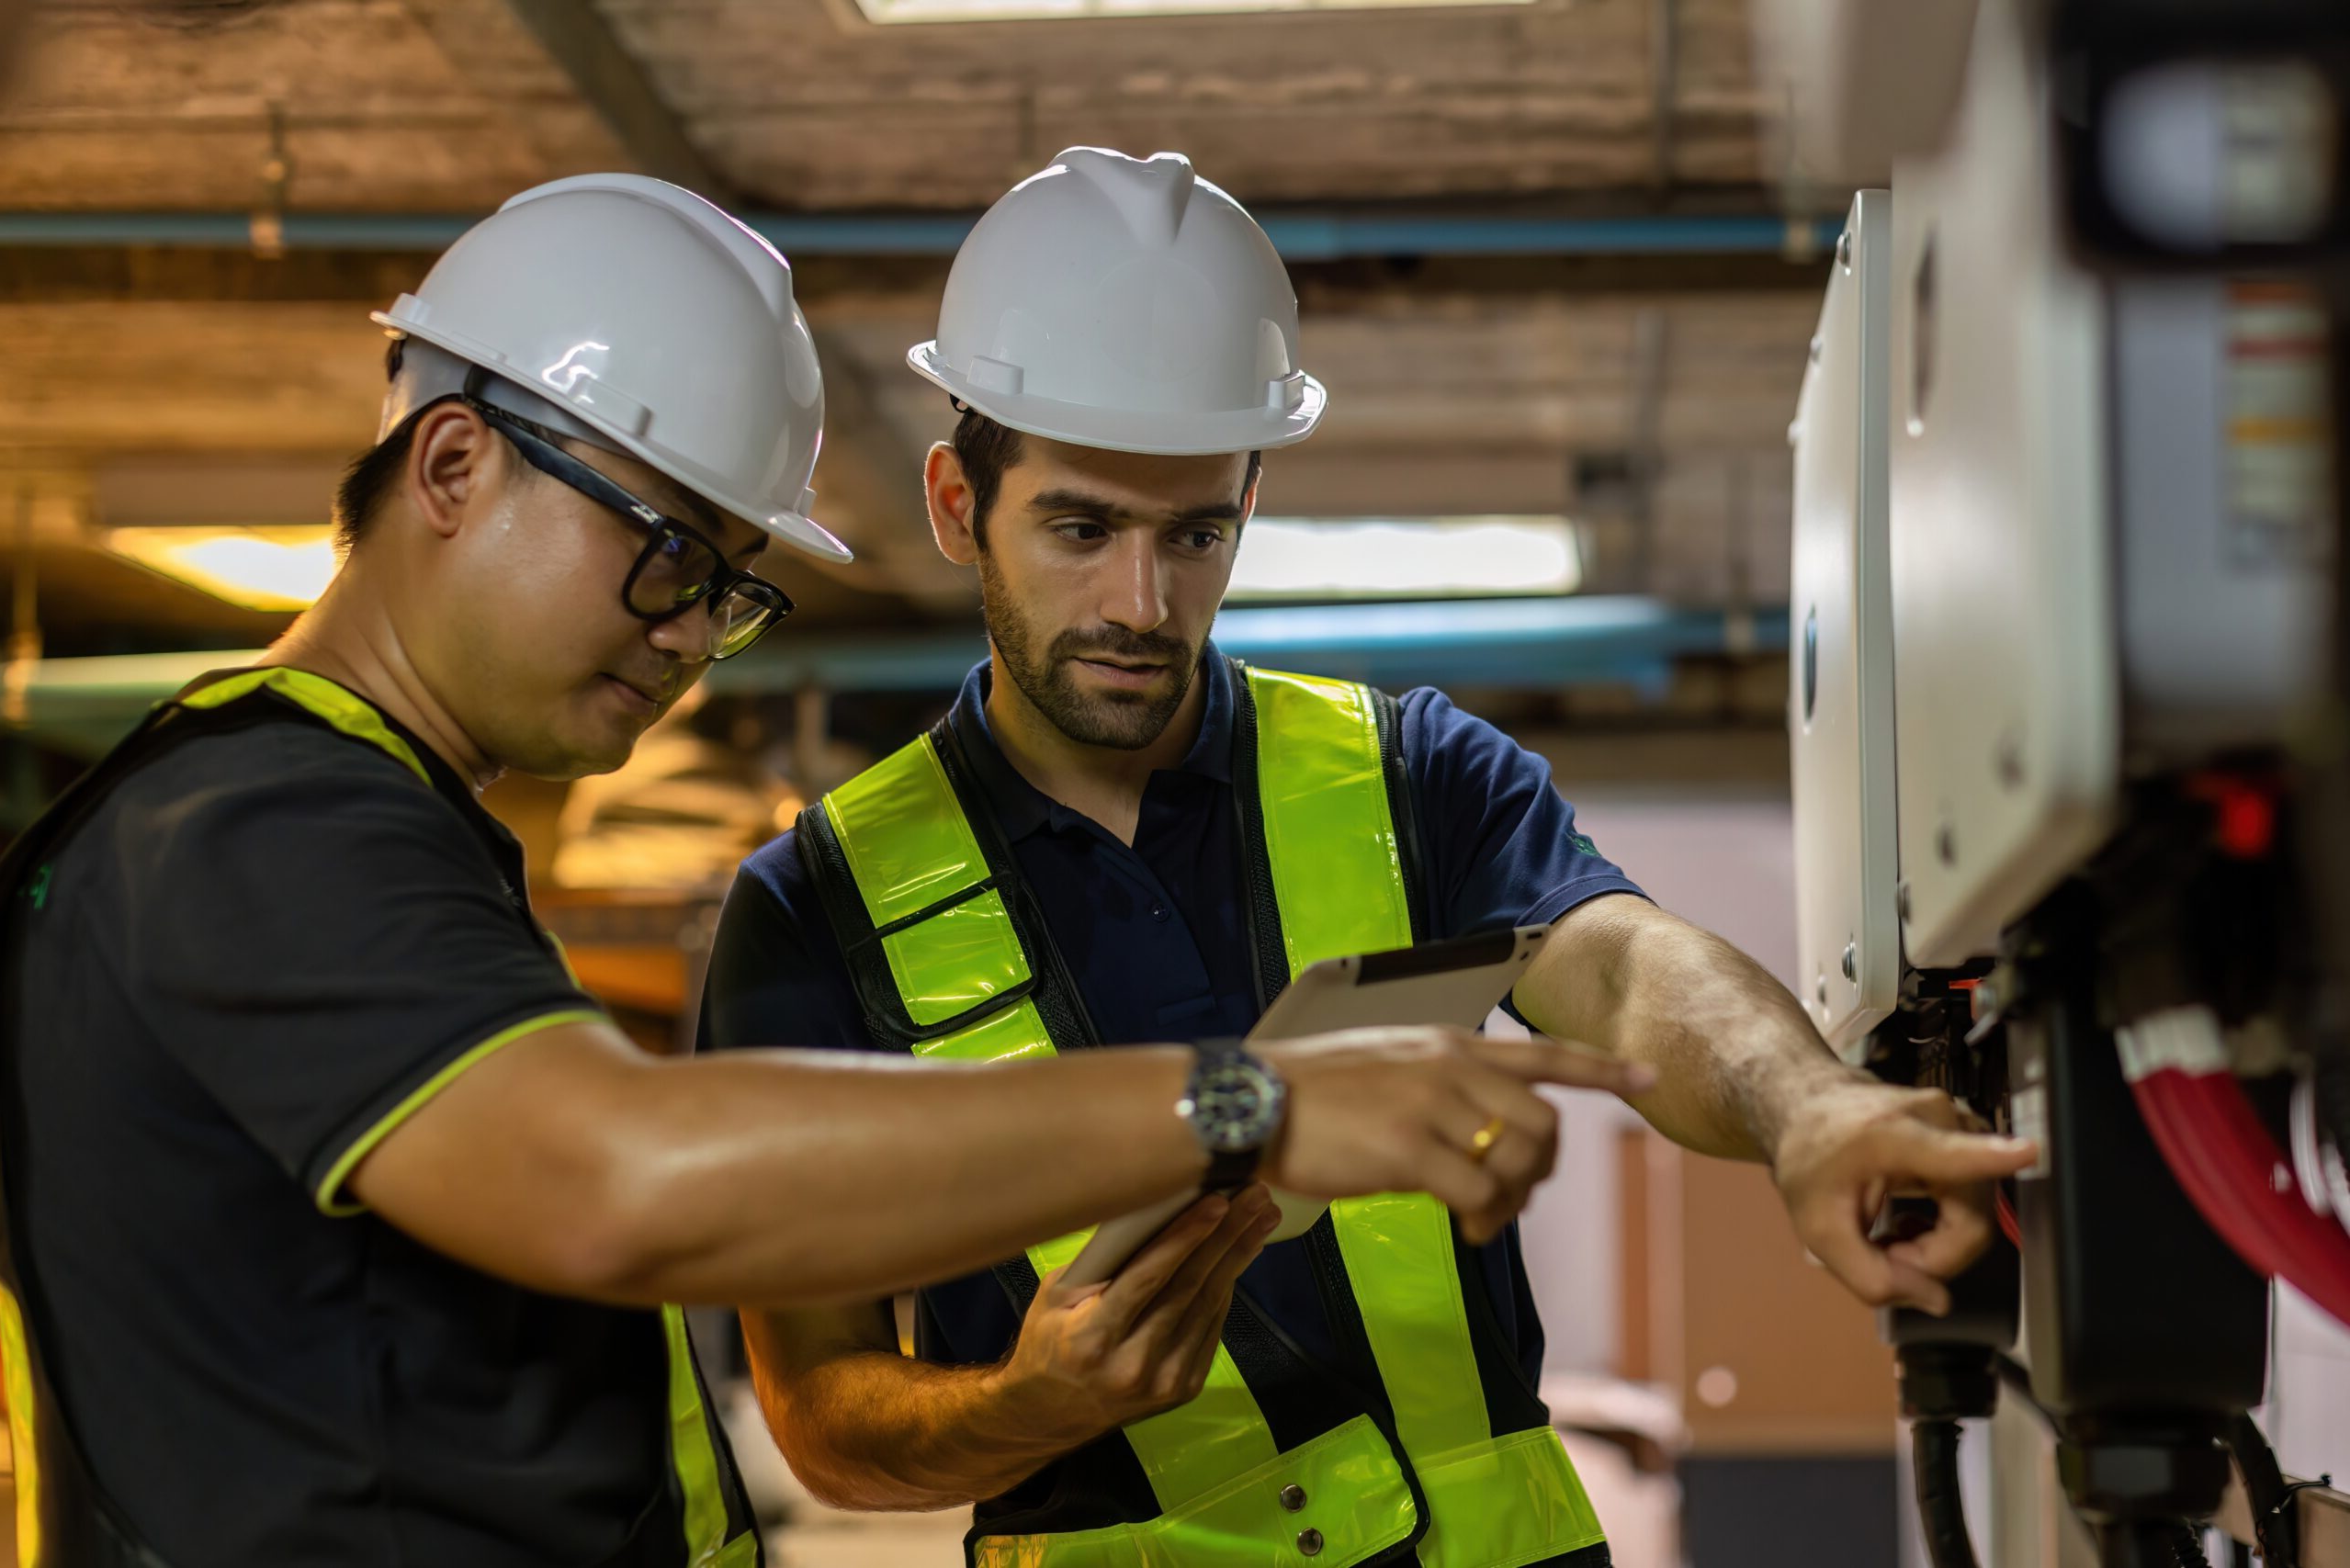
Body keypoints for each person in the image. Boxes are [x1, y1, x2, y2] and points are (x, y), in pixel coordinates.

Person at [0, 172, 1638, 1568]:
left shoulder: (345, 829)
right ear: (449, 467)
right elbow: (622, 1177)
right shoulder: (261, 825)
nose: (693, 638)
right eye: (663, 555)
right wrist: (1239, 1102)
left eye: (728, 588)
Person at [701, 148, 2037, 1568]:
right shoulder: (815, 908)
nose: (1142, 604)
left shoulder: (1410, 776)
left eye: (1196, 533)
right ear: (960, 508)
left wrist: (1806, 1108)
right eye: (1081, 530)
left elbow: (1629, 968)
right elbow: (823, 1407)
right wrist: (1026, 1407)